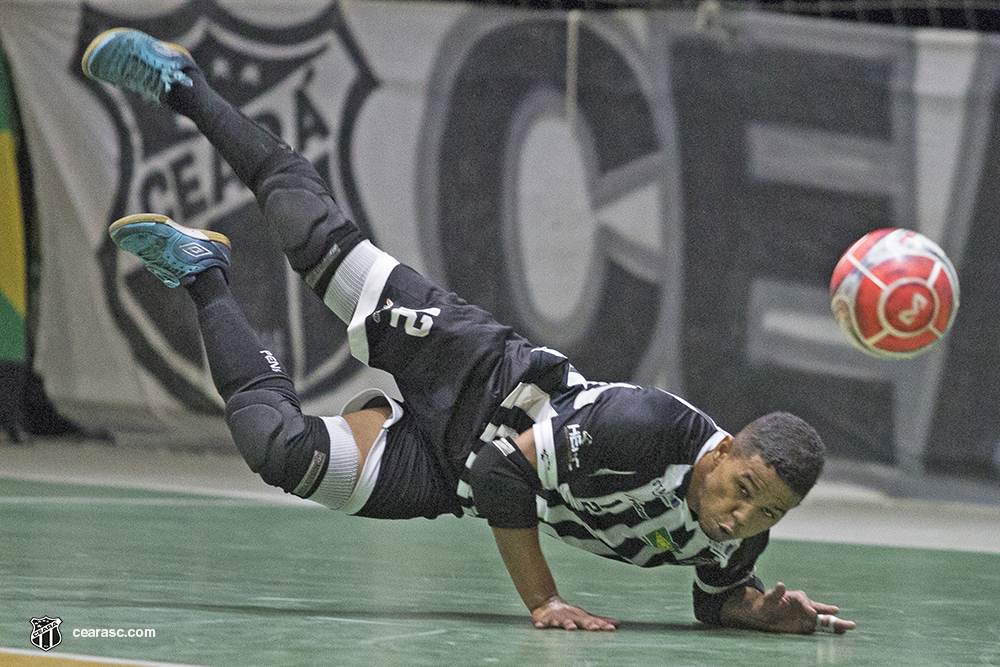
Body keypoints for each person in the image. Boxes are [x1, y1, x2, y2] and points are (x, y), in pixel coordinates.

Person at [82, 28, 855, 635]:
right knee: (313, 242)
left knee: (276, 451)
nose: (741, 515)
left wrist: (759, 612)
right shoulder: (645, 426)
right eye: (744, 489)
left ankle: (201, 274)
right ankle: (184, 85)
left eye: (768, 513)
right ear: (723, 452)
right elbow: (503, 473)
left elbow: (714, 599)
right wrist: (544, 599)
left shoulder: (735, 541)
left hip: (444, 469)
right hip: (473, 368)